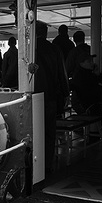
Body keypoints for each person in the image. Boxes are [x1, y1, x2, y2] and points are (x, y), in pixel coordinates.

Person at [33, 20, 70, 173]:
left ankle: (34, 163)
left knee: (33, 131)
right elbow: (62, 74)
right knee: (49, 131)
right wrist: (66, 93)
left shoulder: (29, 49)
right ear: (45, 33)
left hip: (33, 97)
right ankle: (47, 164)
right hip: (51, 97)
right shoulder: (54, 49)